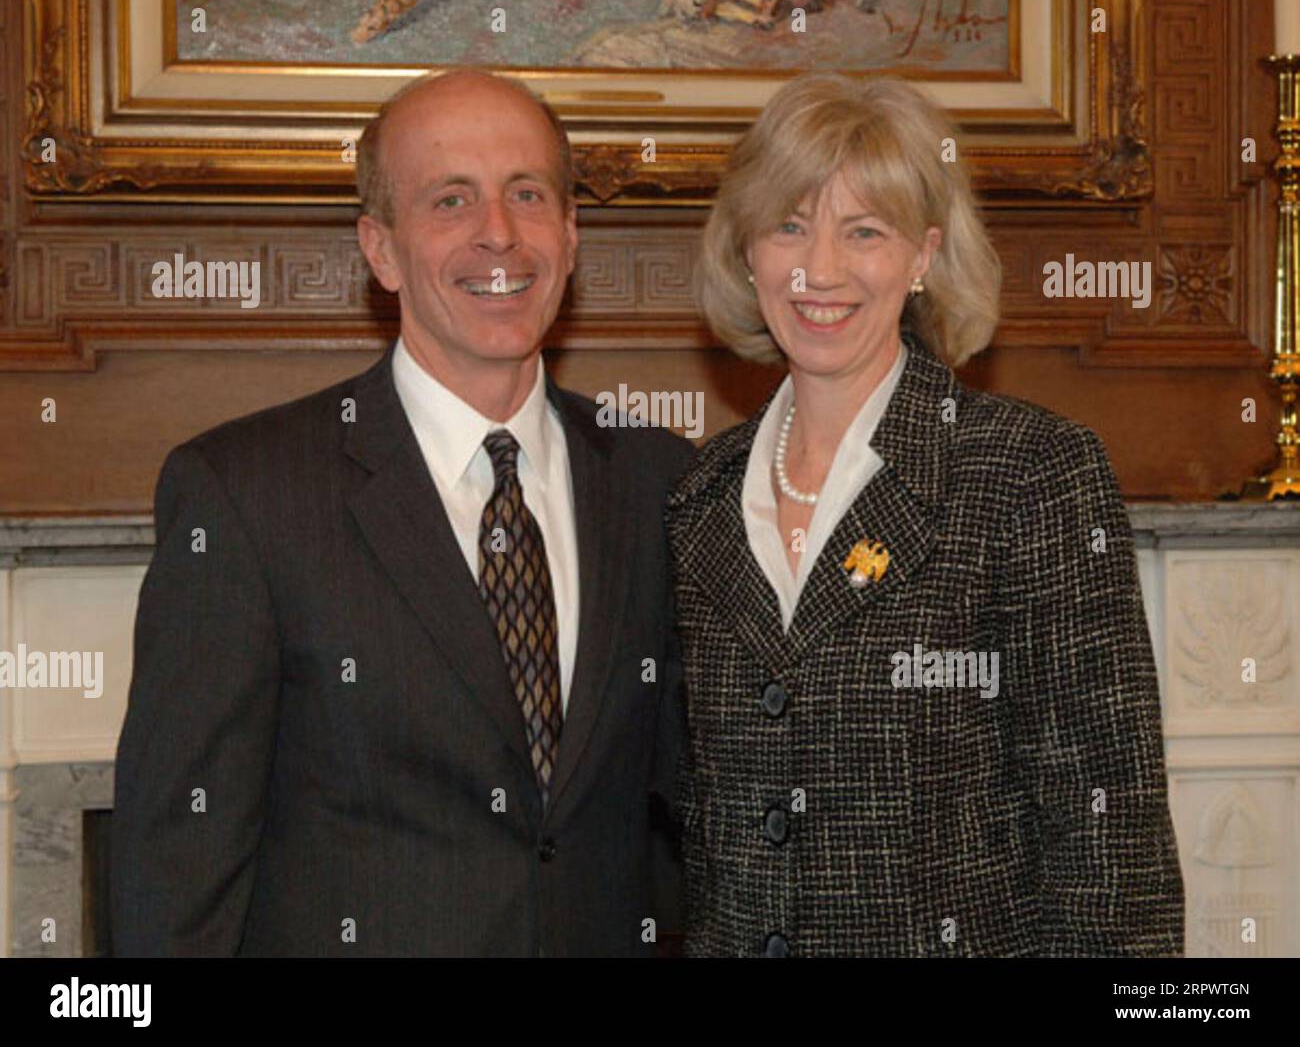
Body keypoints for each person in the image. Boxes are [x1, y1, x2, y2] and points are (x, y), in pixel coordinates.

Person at [111, 69, 694, 957]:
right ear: (380, 250)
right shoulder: (244, 494)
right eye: (450, 200)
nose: (498, 233)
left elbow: (697, 814)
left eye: (527, 194)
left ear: (572, 237)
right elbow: (175, 871)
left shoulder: (662, 481)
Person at [667, 72, 1185, 957]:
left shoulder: (1029, 472)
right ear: (746, 250)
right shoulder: (700, 496)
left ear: (922, 257)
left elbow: (1110, 829)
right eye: (789, 225)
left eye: (863, 231)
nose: (819, 269)